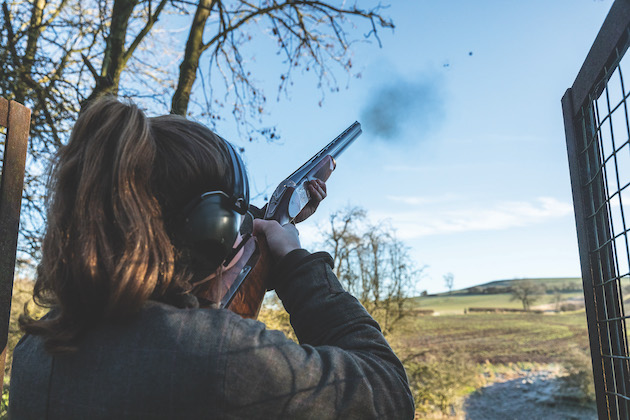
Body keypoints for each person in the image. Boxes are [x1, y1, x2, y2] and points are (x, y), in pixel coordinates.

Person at [9, 97, 415, 419]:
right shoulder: (222, 357)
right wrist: (293, 258)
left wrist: (256, 245)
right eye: (232, 223)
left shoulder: (36, 349)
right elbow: (388, 393)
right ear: (212, 231)